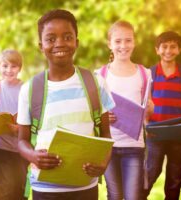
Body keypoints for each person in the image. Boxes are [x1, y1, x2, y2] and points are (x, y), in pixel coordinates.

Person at [17, 9, 115, 200]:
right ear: (41, 45)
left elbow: (105, 135)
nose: (60, 43)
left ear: (76, 42)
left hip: (85, 187)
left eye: (67, 37)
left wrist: (103, 163)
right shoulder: (29, 89)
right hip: (45, 189)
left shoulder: (95, 83)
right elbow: (22, 140)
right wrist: (32, 156)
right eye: (51, 39)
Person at [95, 20, 154, 200]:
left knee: (133, 197)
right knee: (114, 196)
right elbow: (95, 113)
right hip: (109, 147)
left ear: (134, 42)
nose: (123, 46)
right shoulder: (100, 75)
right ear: (109, 44)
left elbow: (147, 110)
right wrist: (104, 117)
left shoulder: (144, 74)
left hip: (134, 147)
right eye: (118, 41)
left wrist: (149, 109)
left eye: (128, 41)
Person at [142, 31, 181, 200]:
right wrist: (146, 125)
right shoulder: (149, 73)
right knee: (151, 172)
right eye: (164, 47)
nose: (168, 50)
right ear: (157, 50)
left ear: (179, 50)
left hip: (178, 133)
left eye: (173, 47)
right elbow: (145, 103)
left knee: (175, 178)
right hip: (155, 133)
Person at [0, 49, 28, 200]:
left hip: (22, 148)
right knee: (4, 192)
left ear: (20, 68)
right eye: (5, 66)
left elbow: (33, 117)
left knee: (21, 190)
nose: (9, 70)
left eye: (13, 66)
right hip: (1, 147)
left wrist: (20, 128)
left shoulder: (26, 88)